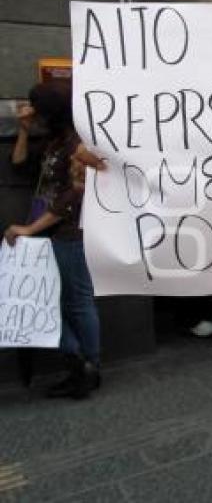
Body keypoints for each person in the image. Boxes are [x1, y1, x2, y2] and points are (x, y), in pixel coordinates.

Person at [4, 82, 101, 399]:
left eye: (33, 105)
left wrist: (31, 229)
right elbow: (18, 164)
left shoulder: (76, 145)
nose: (27, 109)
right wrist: (23, 129)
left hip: (68, 233)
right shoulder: (55, 140)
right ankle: (82, 366)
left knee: (76, 301)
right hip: (48, 229)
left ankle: (87, 366)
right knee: (47, 302)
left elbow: (74, 195)